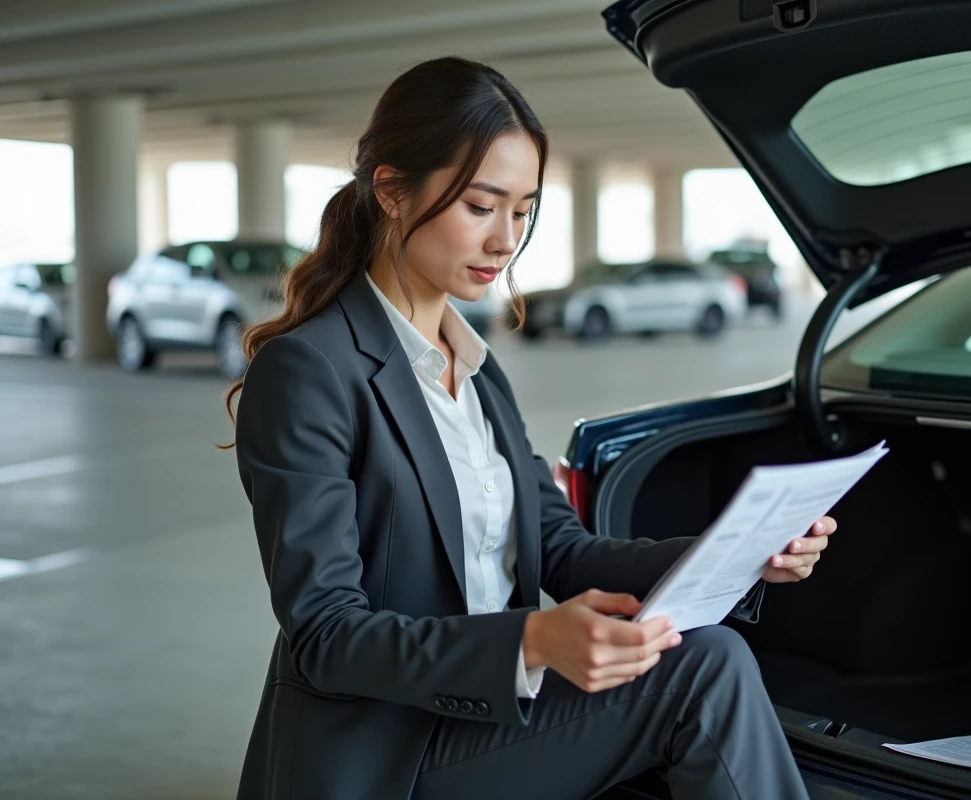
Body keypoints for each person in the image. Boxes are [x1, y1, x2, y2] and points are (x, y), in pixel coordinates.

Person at [223, 56, 837, 800]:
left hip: (498, 715)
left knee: (710, 651)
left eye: (522, 210)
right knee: (707, 670)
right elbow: (325, 635)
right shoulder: (309, 372)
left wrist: (739, 554)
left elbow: (561, 552)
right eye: (480, 206)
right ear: (391, 190)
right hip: (388, 753)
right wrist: (532, 640)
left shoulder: (478, 369)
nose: (505, 240)